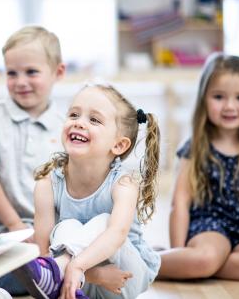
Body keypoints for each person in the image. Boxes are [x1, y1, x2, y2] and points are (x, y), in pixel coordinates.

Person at [15, 84, 162, 299]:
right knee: (66, 226)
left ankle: (63, 266)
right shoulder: (48, 184)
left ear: (119, 145)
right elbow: (44, 250)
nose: (79, 123)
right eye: (74, 114)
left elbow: (116, 234)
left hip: (124, 277)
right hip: (83, 280)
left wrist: (75, 265)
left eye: (94, 120)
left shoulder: (123, 184)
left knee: (105, 221)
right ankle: (67, 282)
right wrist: (92, 274)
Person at [157, 53, 239, 281]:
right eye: (218, 97)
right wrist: (179, 251)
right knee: (205, 257)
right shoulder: (195, 147)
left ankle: (187, 263)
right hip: (209, 228)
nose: (229, 106)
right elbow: (180, 203)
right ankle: (163, 262)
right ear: (204, 98)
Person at [0, 25, 66, 294]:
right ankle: (39, 276)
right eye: (11, 73)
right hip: (4, 232)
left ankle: (51, 272)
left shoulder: (67, 124)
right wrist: (16, 225)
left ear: (58, 73)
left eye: (31, 72)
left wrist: (46, 237)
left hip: (53, 233)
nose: (21, 81)